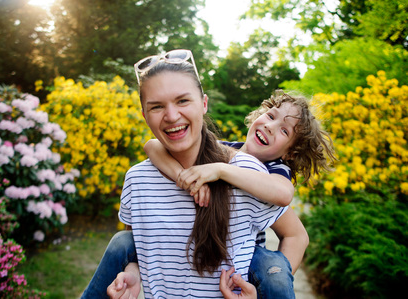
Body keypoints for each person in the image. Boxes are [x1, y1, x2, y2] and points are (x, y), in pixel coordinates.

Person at [82, 49, 308, 299]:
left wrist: (264, 292)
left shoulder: (251, 173)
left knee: (270, 268)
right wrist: (133, 274)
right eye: (156, 106)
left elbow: (293, 226)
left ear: (203, 103)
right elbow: (137, 244)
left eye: (182, 101)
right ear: (144, 115)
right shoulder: (138, 178)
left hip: (247, 274)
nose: (171, 116)